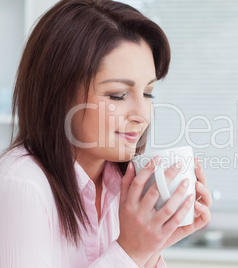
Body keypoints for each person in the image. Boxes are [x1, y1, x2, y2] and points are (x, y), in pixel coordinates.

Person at [0, 0, 212, 267]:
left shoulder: (121, 185)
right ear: (59, 94)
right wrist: (129, 253)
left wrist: (151, 247)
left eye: (147, 93)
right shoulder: (22, 185)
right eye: (118, 95)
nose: (142, 114)